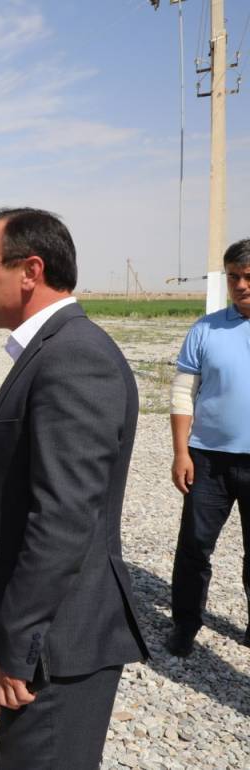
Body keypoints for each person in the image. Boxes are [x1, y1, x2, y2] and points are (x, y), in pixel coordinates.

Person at [0, 208, 148, 769]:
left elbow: (64, 517)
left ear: (30, 270)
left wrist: (18, 646)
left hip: (59, 641)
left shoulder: (74, 356)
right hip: (51, 635)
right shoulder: (55, 348)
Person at [165, 238, 250, 657]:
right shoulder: (206, 329)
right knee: (195, 547)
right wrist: (181, 452)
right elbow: (184, 393)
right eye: (233, 277)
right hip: (208, 458)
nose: (241, 285)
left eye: (248, 276)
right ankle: (184, 624)